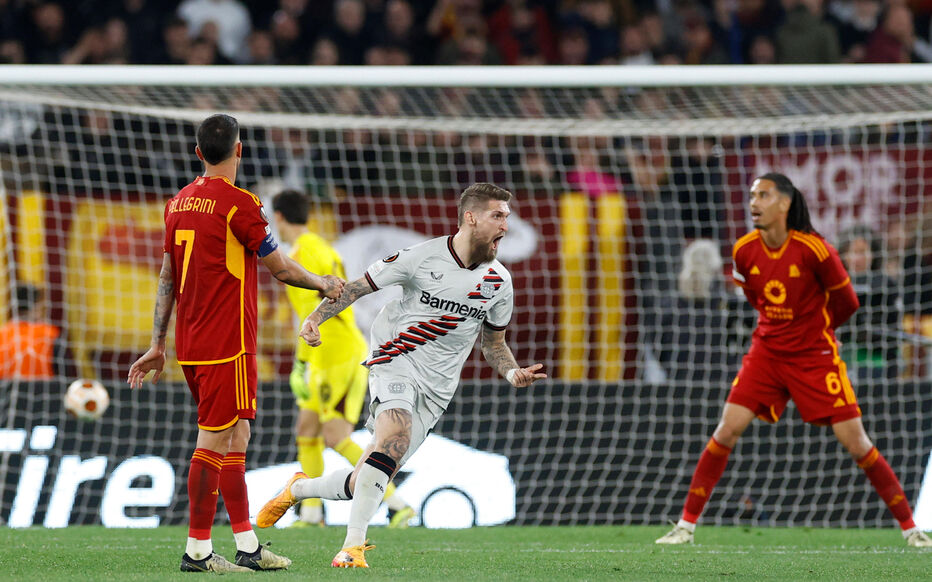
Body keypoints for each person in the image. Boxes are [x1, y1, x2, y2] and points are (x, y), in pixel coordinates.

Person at [256, 183, 547, 568]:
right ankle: (352, 546)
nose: (505, 226)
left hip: (437, 389)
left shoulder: (499, 283)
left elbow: (494, 344)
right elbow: (357, 287)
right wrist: (314, 318)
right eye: (498, 216)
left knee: (368, 475)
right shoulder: (420, 257)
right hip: (395, 358)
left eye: (507, 218)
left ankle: (299, 488)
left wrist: (512, 374)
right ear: (470, 217)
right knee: (394, 435)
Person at [656, 172, 932, 548]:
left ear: (784, 203)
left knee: (857, 443)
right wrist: (779, 326)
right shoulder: (744, 250)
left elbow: (848, 303)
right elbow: (754, 298)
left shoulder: (816, 250)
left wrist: (812, 330)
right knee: (726, 429)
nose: (754, 202)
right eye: (753, 196)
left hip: (814, 356)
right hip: (767, 353)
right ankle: (685, 527)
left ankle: (911, 529)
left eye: (764, 195)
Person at [127, 114, 345, 573]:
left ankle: (247, 545)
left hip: (190, 340)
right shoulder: (240, 204)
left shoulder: (177, 203)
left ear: (198, 153)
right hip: (226, 341)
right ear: (239, 150)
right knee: (213, 440)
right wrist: (322, 283)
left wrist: (158, 342)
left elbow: (167, 277)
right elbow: (281, 267)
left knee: (236, 435)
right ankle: (197, 552)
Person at [270, 189, 416, 528]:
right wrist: (302, 361)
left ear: (278, 217)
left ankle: (397, 504)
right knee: (306, 429)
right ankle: (310, 514)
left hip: (336, 353)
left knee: (334, 436)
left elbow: (336, 293)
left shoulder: (307, 252)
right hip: (321, 354)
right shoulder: (314, 248)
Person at [0, 283, 60, 379]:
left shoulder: (3, 333)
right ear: (36, 306)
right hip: (46, 390)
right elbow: (62, 369)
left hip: (6, 391)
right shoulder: (49, 333)